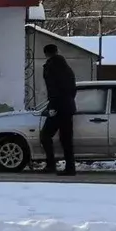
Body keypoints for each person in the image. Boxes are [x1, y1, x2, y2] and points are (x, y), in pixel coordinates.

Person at [40, 43, 77, 176]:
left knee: (45, 135)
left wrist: (53, 107)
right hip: (68, 106)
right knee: (66, 139)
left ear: (46, 54)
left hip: (58, 107)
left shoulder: (51, 67)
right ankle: (70, 167)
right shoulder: (67, 68)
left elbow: (53, 89)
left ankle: (51, 164)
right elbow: (73, 89)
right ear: (57, 51)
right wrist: (68, 101)